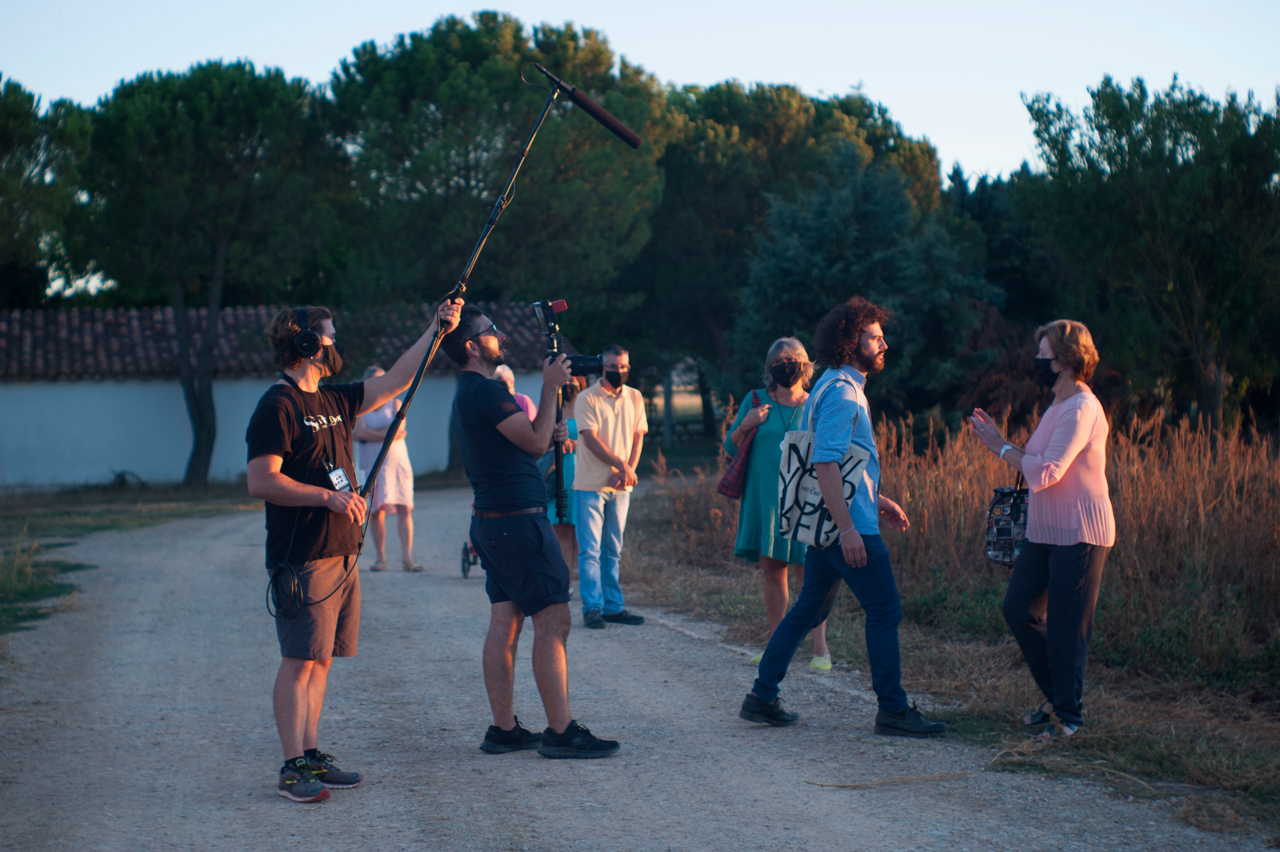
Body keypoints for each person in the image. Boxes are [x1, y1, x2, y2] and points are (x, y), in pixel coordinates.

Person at [246, 300, 462, 802]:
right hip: (304, 555)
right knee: (299, 660)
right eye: (328, 335)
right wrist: (327, 497)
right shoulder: (278, 406)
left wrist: (436, 329)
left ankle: (311, 754)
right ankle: (291, 768)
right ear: (305, 344)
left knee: (321, 660)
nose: (335, 343)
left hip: (342, 553)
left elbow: (398, 380)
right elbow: (261, 480)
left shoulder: (334, 399)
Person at [738, 296, 946, 738]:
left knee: (806, 609)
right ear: (851, 342)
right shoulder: (843, 394)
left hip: (834, 521)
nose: (884, 344)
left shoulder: (831, 384)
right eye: (875, 337)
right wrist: (850, 528)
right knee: (885, 609)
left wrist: (877, 498)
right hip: (846, 527)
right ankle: (893, 709)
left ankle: (762, 695)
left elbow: (842, 464)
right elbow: (825, 463)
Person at [442, 306, 620, 759]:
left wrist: (547, 421)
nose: (500, 335)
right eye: (491, 331)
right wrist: (550, 386)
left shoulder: (468, 392)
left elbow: (530, 438)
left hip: (494, 521)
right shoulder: (487, 392)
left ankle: (504, 731)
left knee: (505, 621)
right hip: (517, 523)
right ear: (471, 346)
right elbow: (539, 443)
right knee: (553, 617)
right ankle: (560, 732)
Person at [969, 319, 1115, 739]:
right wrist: (1002, 443)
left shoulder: (1082, 408)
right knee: (1019, 609)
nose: (1036, 361)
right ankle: (1057, 698)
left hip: (1080, 533)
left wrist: (1000, 446)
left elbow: (1047, 471)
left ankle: (1069, 721)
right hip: (1044, 532)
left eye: (1042, 355)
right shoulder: (1056, 406)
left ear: (1066, 361)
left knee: (1068, 628)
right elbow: (1035, 459)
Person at [725, 338, 830, 671]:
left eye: (792, 360)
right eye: (779, 362)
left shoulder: (815, 403)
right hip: (765, 499)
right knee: (773, 572)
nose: (786, 366)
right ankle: (776, 646)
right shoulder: (755, 400)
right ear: (770, 368)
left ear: (805, 365)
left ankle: (820, 648)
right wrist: (747, 423)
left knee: (808, 574)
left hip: (805, 499)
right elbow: (730, 447)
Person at [573, 345, 649, 630]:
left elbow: (638, 437)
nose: (619, 371)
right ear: (602, 367)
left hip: (621, 486)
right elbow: (590, 439)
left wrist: (627, 471)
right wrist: (622, 466)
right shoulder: (586, 398)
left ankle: (613, 607)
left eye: (624, 366)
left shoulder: (635, 396)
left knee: (613, 549)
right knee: (590, 550)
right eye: (614, 367)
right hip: (591, 484)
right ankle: (592, 608)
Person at [353, 366, 421, 572]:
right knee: (376, 511)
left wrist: (370, 434)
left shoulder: (396, 404)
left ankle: (408, 558)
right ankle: (380, 558)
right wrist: (388, 434)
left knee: (404, 508)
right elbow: (358, 433)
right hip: (373, 464)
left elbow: (396, 430)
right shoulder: (361, 407)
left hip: (397, 463)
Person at [546, 376, 587, 571]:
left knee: (584, 531)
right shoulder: (553, 409)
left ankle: (586, 580)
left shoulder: (588, 407)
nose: (570, 386)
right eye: (566, 382)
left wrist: (578, 445)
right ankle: (565, 582)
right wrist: (555, 444)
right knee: (561, 531)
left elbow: (600, 439)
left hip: (584, 473)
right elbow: (541, 439)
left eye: (573, 382)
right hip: (559, 475)